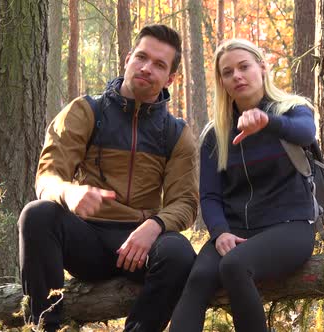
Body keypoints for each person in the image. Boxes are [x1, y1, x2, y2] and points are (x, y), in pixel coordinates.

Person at [18, 24, 198, 332]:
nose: (146, 67)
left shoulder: (176, 133)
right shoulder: (86, 111)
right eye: (141, 57)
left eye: (159, 64)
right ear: (127, 59)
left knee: (179, 252)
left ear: (170, 78)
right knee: (37, 214)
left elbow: (186, 202)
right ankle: (46, 325)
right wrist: (68, 193)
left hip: (139, 247)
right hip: (86, 240)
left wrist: (154, 226)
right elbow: (48, 176)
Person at [169, 38, 317, 332]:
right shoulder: (215, 134)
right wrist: (220, 232)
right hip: (236, 231)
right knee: (198, 278)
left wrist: (267, 122)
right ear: (222, 82)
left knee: (234, 265)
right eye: (227, 72)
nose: (236, 75)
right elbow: (210, 196)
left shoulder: (292, 109)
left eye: (244, 67)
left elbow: (306, 133)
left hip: (292, 225)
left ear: (262, 68)